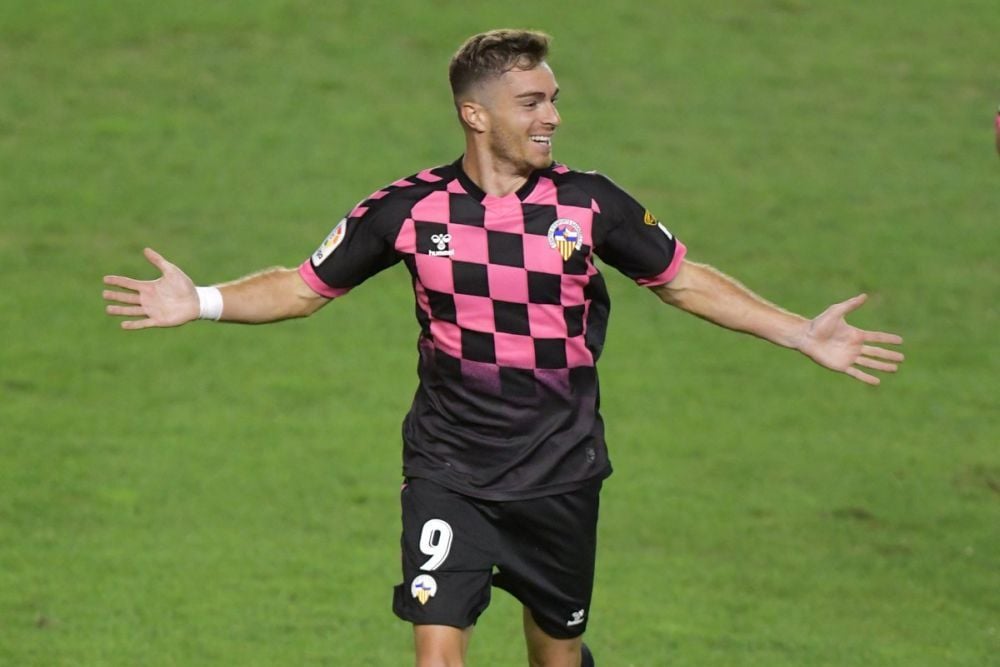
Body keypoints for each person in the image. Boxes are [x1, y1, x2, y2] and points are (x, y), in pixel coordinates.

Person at [103, 29, 904, 667]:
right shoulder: (408, 210)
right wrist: (201, 300)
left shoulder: (592, 205)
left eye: (554, 98)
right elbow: (302, 287)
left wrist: (801, 331)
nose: (552, 115)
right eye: (531, 101)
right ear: (475, 114)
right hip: (450, 470)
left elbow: (685, 281)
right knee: (437, 653)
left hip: (561, 473)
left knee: (553, 655)